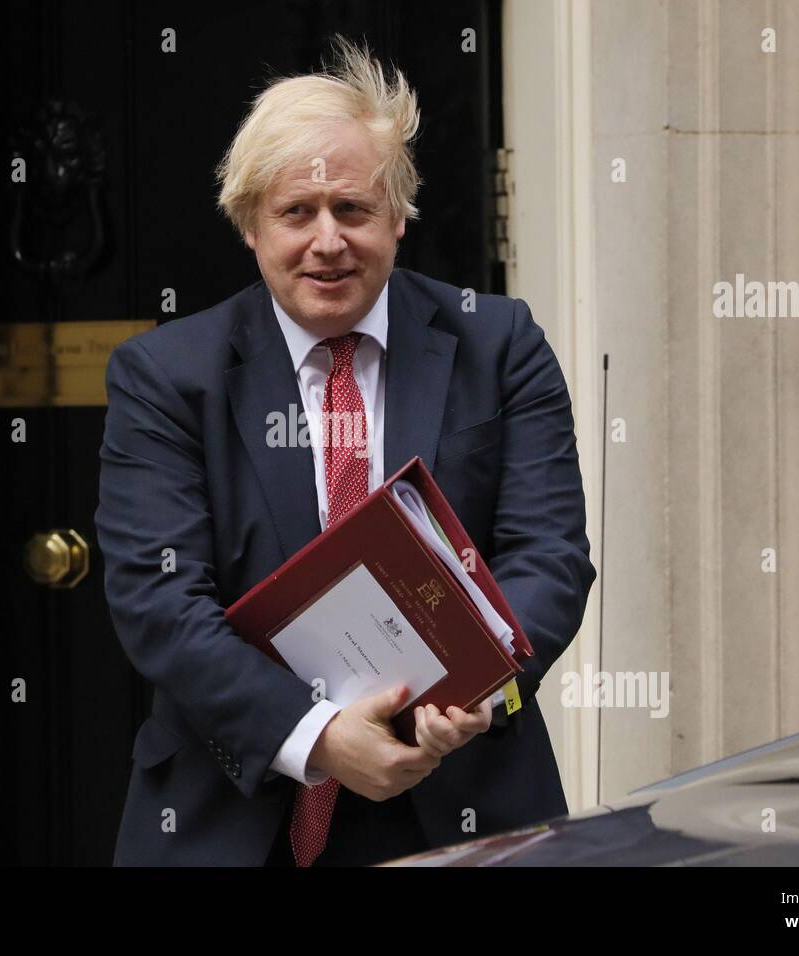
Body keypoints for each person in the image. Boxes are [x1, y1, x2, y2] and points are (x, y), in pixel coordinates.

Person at [95, 37, 596, 867]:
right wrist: (321, 737)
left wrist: (469, 691)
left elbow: (550, 558)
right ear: (250, 224)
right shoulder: (165, 376)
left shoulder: (499, 344)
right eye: (297, 212)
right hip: (233, 814)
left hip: (467, 795)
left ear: (399, 215)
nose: (327, 240)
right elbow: (161, 602)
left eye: (354, 210)